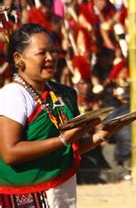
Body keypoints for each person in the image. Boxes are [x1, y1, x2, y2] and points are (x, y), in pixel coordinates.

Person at [0, 23, 129, 207]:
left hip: (60, 187)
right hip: (25, 193)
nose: (51, 57)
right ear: (19, 58)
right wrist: (62, 140)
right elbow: (9, 153)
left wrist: (102, 135)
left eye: (53, 51)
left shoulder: (64, 93)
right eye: (42, 53)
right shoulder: (13, 95)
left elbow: (70, 148)